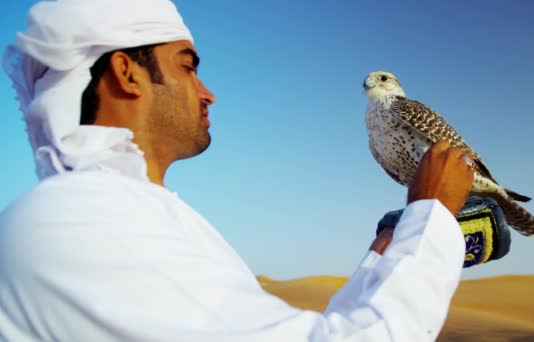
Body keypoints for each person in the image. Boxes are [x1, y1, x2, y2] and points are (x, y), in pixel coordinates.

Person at [0, 1, 474, 341]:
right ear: (127, 74)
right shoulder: (81, 220)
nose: (208, 93)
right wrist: (430, 214)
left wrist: (386, 255)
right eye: (188, 68)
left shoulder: (144, 213)